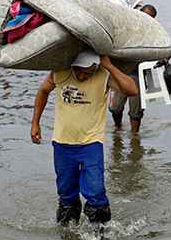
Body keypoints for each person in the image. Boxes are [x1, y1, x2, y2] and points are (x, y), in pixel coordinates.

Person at [31, 50, 139, 225]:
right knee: (66, 195)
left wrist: (110, 66)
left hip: (91, 143)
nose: (81, 76)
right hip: (62, 143)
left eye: (87, 72)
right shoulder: (61, 72)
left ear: (95, 67)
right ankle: (68, 232)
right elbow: (43, 91)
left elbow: (132, 90)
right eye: (78, 70)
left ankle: (100, 233)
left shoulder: (104, 75)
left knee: (96, 192)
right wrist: (35, 123)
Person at [109, 5, 157, 133]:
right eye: (145, 16)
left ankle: (135, 136)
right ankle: (118, 129)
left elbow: (160, 50)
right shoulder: (128, 28)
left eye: (150, 18)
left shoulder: (153, 34)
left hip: (139, 75)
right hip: (122, 73)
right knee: (115, 108)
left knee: (136, 111)